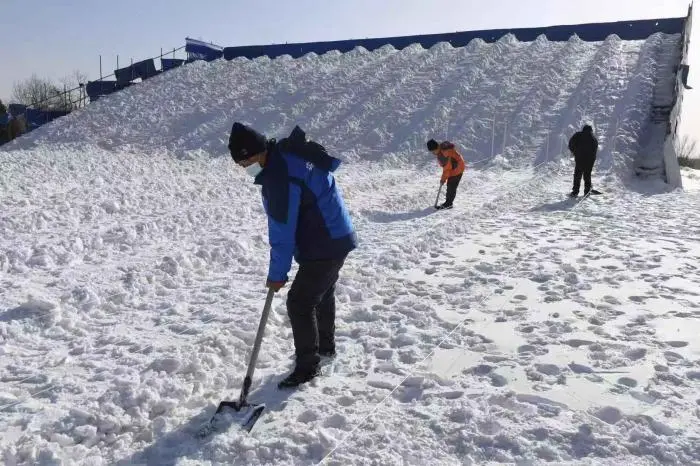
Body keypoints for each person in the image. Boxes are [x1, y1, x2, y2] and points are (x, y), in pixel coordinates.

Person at [228, 122, 357, 388]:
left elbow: (282, 233)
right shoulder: (287, 156)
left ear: (256, 152)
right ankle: (324, 347)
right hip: (333, 235)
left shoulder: (279, 178)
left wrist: (277, 275)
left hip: (325, 241)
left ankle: (308, 365)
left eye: (245, 162)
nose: (245, 169)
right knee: (321, 294)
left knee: (299, 302)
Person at [426, 139, 466, 209]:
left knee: (451, 185)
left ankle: (449, 203)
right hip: (455, 166)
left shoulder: (444, 154)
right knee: (450, 184)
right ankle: (448, 202)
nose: (433, 153)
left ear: (436, 148)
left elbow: (447, 169)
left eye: (433, 151)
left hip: (457, 168)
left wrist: (443, 179)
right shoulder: (441, 151)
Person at [568, 124, 598, 197]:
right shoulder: (593, 138)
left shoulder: (578, 135)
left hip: (579, 159)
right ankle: (587, 192)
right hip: (590, 160)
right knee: (587, 175)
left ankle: (575, 192)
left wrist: (574, 152)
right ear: (591, 130)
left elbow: (570, 144)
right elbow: (595, 150)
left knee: (577, 175)